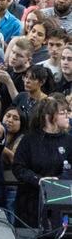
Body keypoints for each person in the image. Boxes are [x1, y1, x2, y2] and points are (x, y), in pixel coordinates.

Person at [11, 97, 72, 228]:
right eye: (62, 113)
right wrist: (39, 180)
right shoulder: (29, 139)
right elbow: (18, 167)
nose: (68, 116)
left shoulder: (69, 140)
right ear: (48, 117)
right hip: (30, 202)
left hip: (61, 201)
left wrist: (58, 182)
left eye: (68, 112)